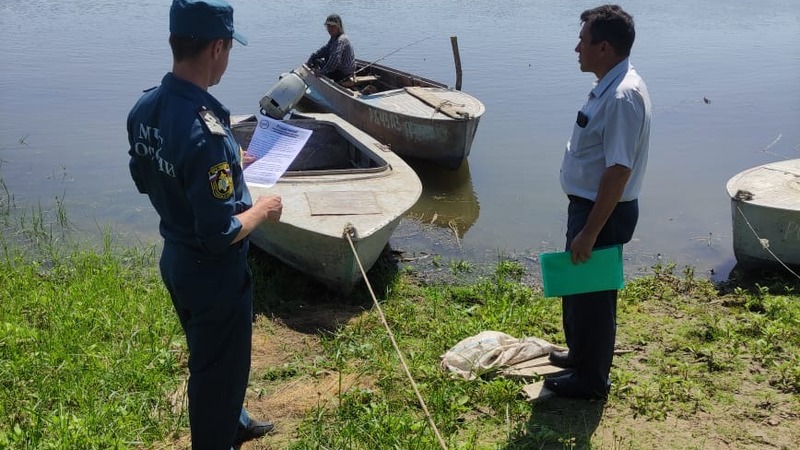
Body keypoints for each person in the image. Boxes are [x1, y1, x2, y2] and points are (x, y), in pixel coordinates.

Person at [126, 0, 283, 448]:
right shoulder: (204, 131)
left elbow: (146, 178)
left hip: (175, 259)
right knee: (218, 370)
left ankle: (233, 419)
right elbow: (220, 235)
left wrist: (231, 160)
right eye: (230, 48)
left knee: (210, 357)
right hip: (213, 275)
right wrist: (263, 210)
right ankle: (216, 436)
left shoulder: (145, 109)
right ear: (218, 47)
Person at [544, 4, 651, 400]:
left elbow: (618, 171)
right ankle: (579, 355)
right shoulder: (610, 84)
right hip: (589, 207)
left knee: (595, 298)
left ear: (603, 47)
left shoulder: (623, 96)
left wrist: (590, 231)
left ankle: (592, 380)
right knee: (578, 288)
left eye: (583, 41)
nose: (577, 48)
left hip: (602, 212)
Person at [306, 14, 356, 82]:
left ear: (338, 27)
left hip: (344, 72)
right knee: (315, 59)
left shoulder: (341, 40)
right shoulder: (334, 37)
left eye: (333, 26)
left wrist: (322, 72)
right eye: (328, 26)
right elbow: (326, 49)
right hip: (339, 69)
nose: (330, 29)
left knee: (322, 65)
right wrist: (313, 56)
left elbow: (335, 60)